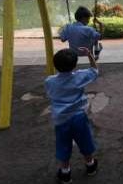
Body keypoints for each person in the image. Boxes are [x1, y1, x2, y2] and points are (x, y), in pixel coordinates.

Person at [45, 47, 99, 184]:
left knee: (63, 144)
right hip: (79, 117)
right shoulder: (79, 77)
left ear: (55, 64)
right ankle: (90, 165)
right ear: (74, 65)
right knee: (85, 140)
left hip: (61, 119)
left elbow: (50, 93)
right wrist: (90, 55)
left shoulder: (49, 81)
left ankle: (65, 173)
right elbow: (94, 70)